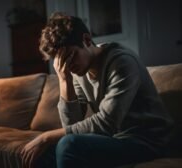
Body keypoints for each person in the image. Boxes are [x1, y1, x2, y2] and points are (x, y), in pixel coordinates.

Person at [21, 12, 173, 168]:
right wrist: (64, 80)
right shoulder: (80, 70)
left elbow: (107, 123)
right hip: (117, 138)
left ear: (86, 40)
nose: (67, 66)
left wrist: (47, 136)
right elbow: (72, 124)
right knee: (40, 153)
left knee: (68, 145)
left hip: (148, 140)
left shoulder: (122, 62)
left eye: (70, 57)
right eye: (61, 61)